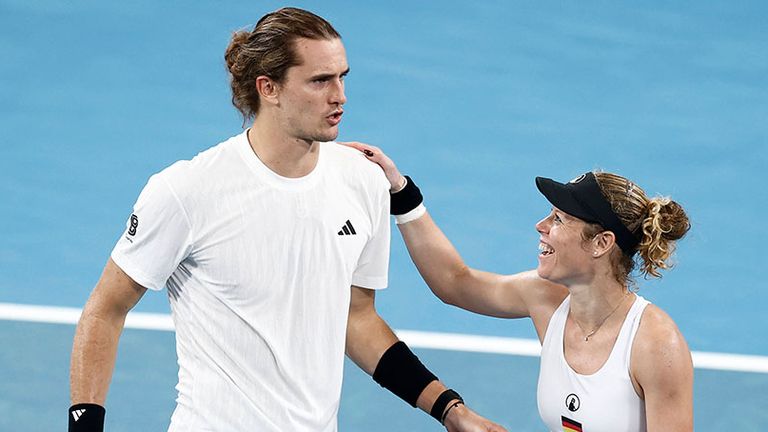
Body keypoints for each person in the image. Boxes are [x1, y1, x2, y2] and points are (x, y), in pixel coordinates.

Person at [68, 8, 506, 432]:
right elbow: (105, 309)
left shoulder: (363, 183)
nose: (340, 96)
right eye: (320, 81)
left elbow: (356, 318)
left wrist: (449, 409)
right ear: (269, 88)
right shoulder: (186, 191)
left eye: (342, 77)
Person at [343, 141, 694, 431]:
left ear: (601, 243)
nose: (540, 226)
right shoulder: (546, 299)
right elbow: (454, 283)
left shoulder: (656, 344)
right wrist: (402, 194)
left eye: (559, 219)